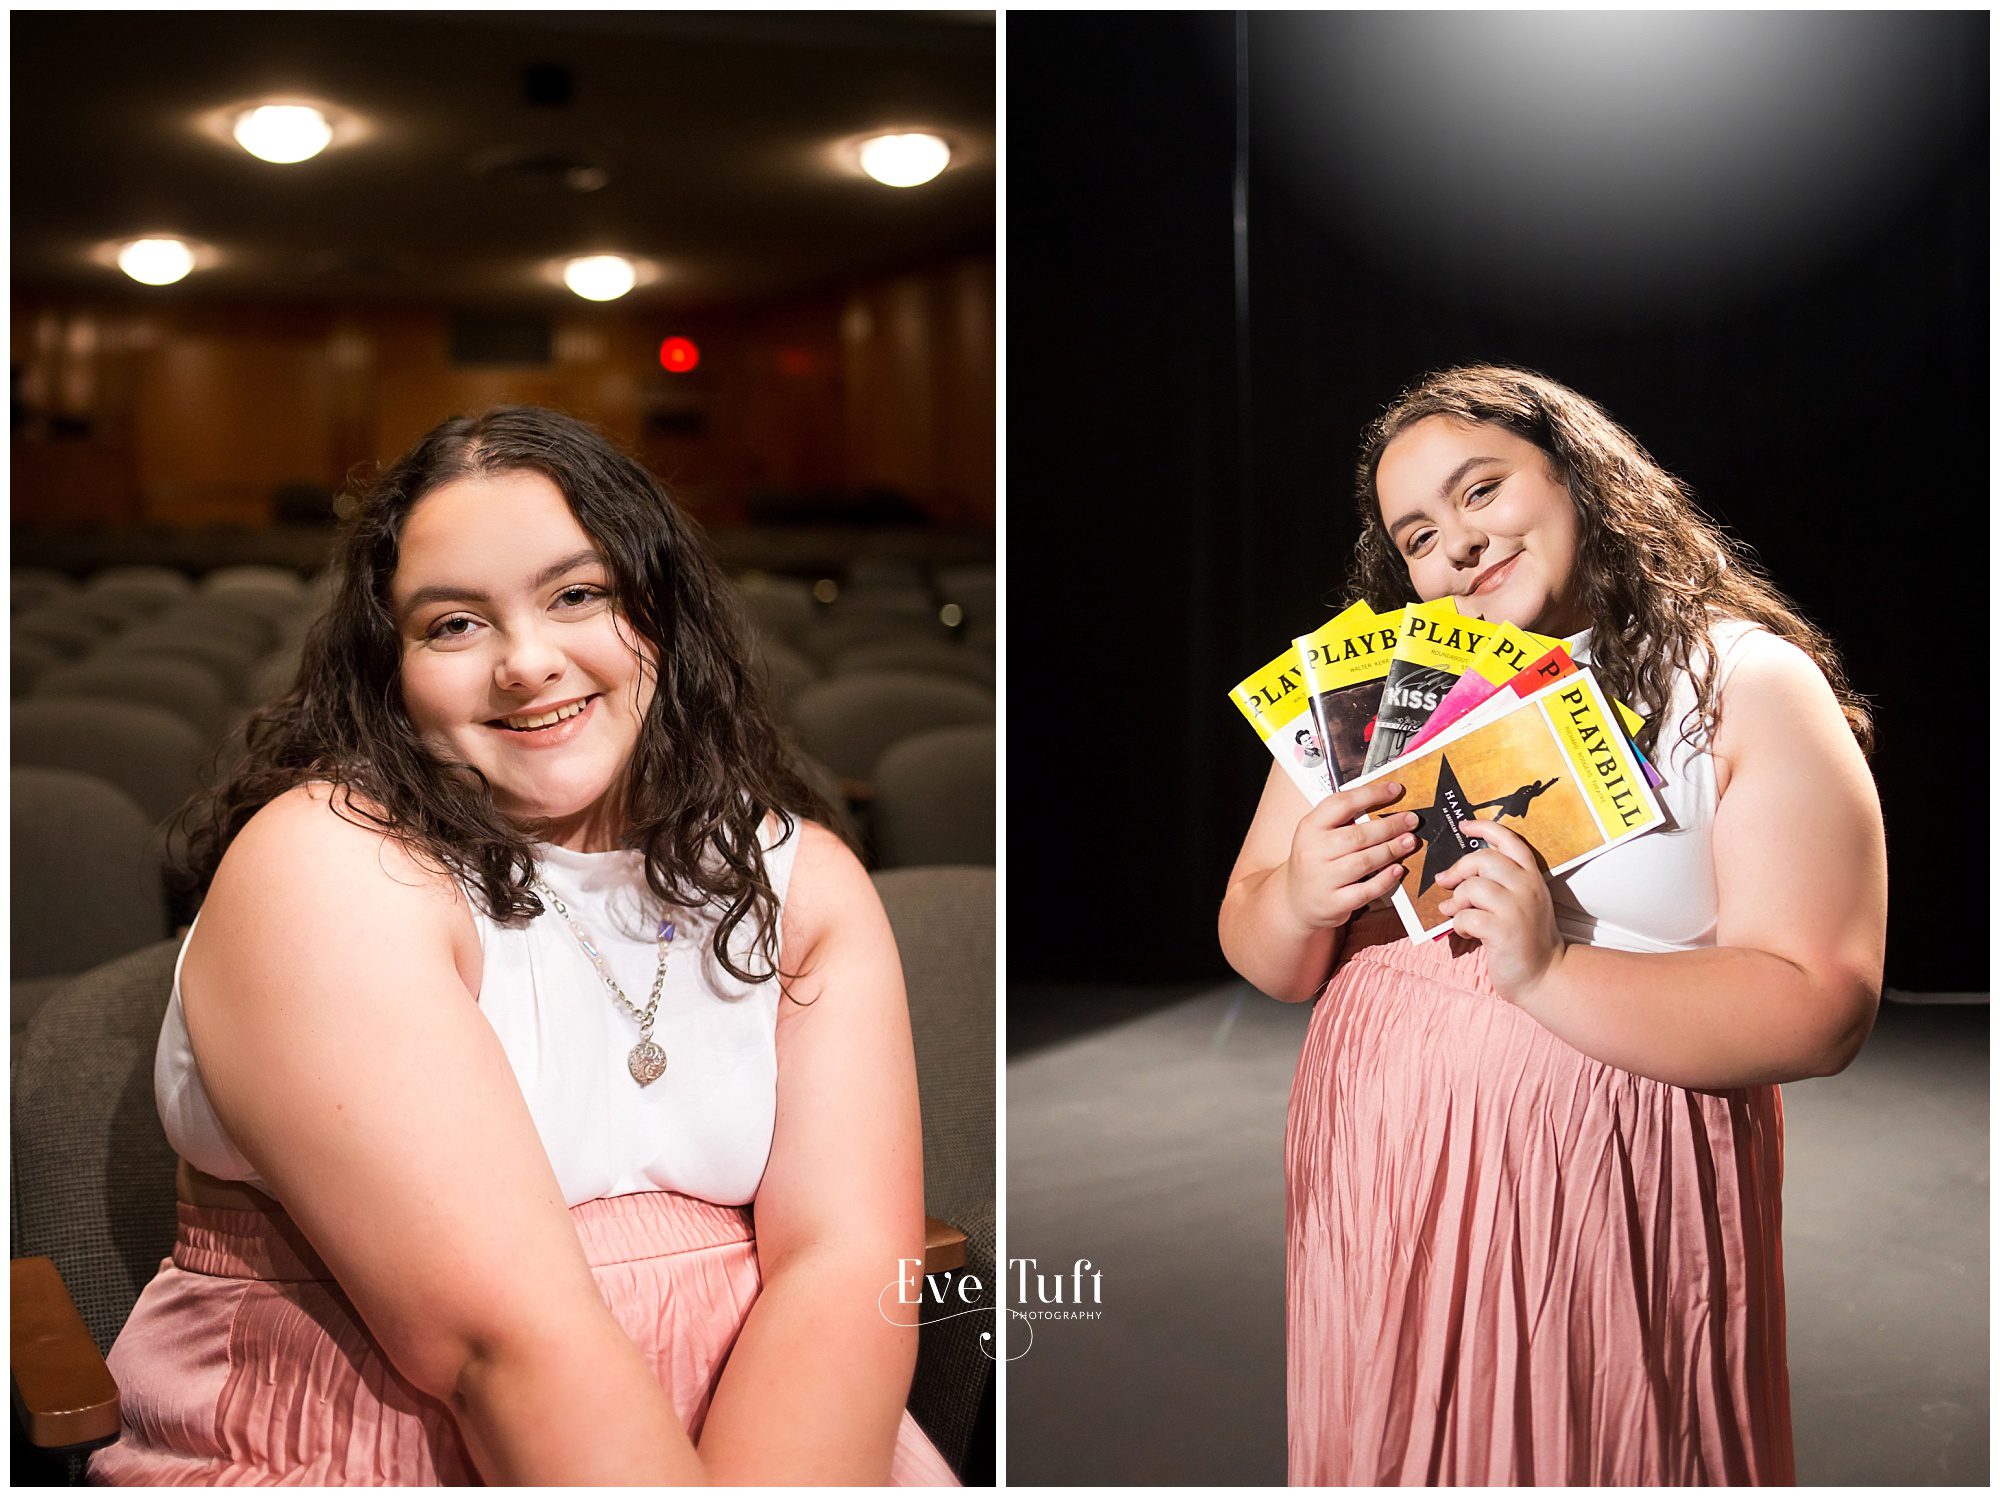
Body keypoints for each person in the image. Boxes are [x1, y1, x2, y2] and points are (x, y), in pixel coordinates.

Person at [91, 407, 959, 1485]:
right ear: (388, 668)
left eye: (577, 594)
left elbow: (845, 1270)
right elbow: (500, 1350)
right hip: (369, 1445)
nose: (526, 662)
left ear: (661, 615)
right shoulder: (329, 864)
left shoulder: (798, 871)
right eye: (453, 624)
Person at [1218, 366, 1885, 1485]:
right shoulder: (1381, 682)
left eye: (1480, 492)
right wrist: (1299, 890)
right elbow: (1260, 949)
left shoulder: (1738, 680)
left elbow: (1817, 1004)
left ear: (1577, 474)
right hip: (1381, 1172)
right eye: (1420, 534)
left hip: (1605, 1183)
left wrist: (1547, 970)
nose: (1459, 547)